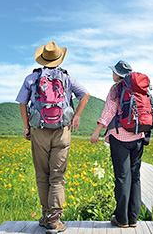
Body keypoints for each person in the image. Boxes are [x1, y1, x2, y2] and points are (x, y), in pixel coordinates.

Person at [16, 41, 90, 233]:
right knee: (57, 176)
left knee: (42, 174)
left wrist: (27, 127)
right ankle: (53, 219)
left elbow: (22, 103)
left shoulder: (32, 78)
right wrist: (77, 116)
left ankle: (45, 214)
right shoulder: (67, 79)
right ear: (59, 59)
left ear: (43, 59)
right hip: (62, 130)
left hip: (38, 130)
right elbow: (85, 94)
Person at [90, 60, 145, 228]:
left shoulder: (116, 89)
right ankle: (133, 218)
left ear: (118, 74)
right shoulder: (139, 89)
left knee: (122, 178)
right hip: (139, 136)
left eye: (114, 71)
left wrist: (98, 129)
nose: (112, 74)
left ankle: (121, 218)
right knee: (135, 177)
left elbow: (109, 111)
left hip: (120, 137)